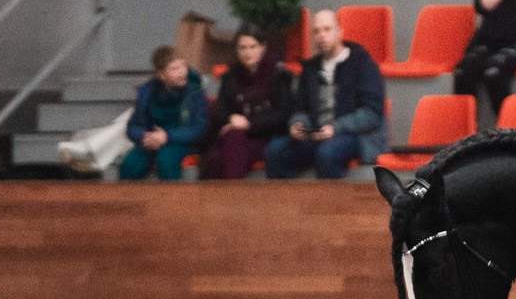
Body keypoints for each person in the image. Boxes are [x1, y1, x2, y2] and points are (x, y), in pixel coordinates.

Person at [268, 10, 386, 178]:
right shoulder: (310, 68)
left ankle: (331, 204)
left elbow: (372, 113)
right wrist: (298, 123)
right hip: (316, 134)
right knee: (276, 150)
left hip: (353, 135)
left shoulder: (363, 64)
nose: (321, 35)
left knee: (327, 153)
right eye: (316, 31)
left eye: (327, 29)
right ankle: (284, 202)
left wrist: (335, 128)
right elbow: (300, 107)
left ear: (340, 32)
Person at [201, 29, 293, 179]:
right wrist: (232, 119)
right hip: (236, 137)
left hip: (267, 137)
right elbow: (219, 112)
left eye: (252, 47)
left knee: (223, 151)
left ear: (263, 47)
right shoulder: (230, 77)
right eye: (242, 48)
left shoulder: (279, 75)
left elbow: (283, 114)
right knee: (223, 147)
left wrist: (248, 123)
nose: (247, 52)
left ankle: (228, 198)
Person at [118, 46, 207, 181]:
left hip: (180, 142)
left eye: (183, 66)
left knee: (166, 161)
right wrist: (144, 136)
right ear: (161, 75)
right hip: (151, 141)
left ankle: (172, 200)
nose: (182, 72)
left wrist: (166, 136)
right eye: (175, 69)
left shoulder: (195, 93)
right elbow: (132, 126)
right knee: (130, 165)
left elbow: (198, 129)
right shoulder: (147, 93)